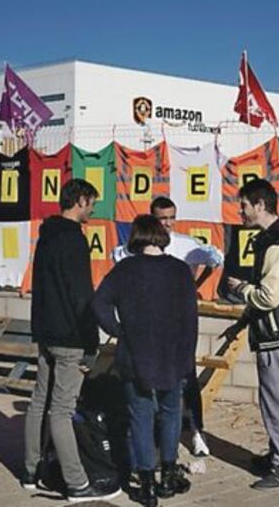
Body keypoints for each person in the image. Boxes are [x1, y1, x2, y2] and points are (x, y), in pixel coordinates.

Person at [22, 178, 120, 502]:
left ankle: (30, 471)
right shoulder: (74, 240)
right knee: (62, 410)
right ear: (79, 200)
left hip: (46, 333)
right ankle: (77, 483)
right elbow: (81, 295)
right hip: (70, 336)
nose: (92, 209)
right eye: (91, 202)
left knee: (39, 401)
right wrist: (91, 341)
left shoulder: (46, 236)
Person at [93, 214, 199, 506]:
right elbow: (191, 319)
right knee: (171, 413)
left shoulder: (125, 269)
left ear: (137, 237)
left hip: (135, 353)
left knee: (140, 416)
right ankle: (168, 476)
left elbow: (99, 303)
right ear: (161, 236)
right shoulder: (180, 271)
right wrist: (188, 356)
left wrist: (118, 331)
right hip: (173, 354)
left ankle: (147, 485)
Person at [111, 195, 223, 456]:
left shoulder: (185, 245)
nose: (168, 223)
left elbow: (214, 257)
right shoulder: (135, 247)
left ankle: (197, 431)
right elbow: (119, 262)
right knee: (146, 382)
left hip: (177, 324)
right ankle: (153, 437)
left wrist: (194, 286)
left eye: (172, 217)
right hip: (148, 325)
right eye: (162, 219)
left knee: (186, 375)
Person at [225, 179, 279, 490]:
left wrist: (241, 289)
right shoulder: (274, 240)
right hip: (276, 331)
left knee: (277, 399)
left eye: (244, 205)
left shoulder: (277, 245)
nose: (240, 211)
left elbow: (270, 297)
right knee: (273, 397)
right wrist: (241, 323)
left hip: (278, 334)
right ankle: (278, 454)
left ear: (260, 205)